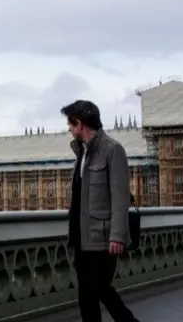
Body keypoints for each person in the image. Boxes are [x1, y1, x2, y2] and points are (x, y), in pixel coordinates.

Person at [61, 100, 139, 322]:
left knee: (99, 287)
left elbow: (120, 196)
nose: (68, 129)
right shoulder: (81, 154)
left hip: (103, 237)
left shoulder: (113, 150)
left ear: (80, 124)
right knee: (86, 294)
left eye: (70, 123)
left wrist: (117, 235)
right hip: (81, 236)